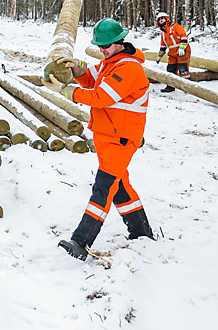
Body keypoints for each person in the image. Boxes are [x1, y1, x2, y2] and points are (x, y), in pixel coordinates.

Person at [44, 18, 154, 261]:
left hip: (122, 138)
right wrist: (76, 67)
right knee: (119, 186)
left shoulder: (128, 68)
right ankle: (141, 232)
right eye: (100, 46)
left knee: (103, 188)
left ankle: (81, 240)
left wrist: (65, 91)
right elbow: (91, 76)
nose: (102, 50)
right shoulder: (110, 62)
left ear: (119, 42)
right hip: (108, 135)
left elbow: (101, 96)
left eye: (105, 46)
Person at [155, 11, 190, 82]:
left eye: (162, 18)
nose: (160, 20)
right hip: (172, 53)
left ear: (167, 19)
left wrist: (182, 48)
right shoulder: (163, 33)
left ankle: (187, 86)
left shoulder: (176, 27)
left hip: (182, 51)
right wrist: (159, 56)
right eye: (159, 19)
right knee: (170, 69)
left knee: (183, 68)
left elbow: (184, 37)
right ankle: (170, 86)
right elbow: (163, 46)